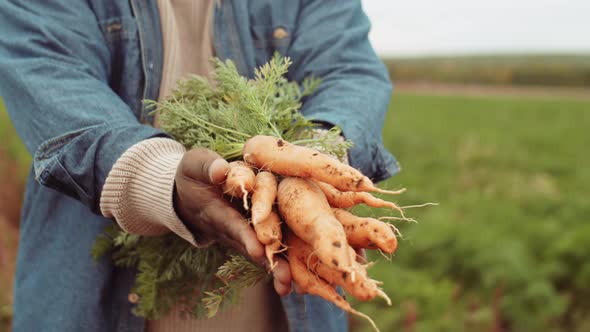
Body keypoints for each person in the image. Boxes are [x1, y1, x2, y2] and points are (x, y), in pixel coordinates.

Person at [0, 1, 398, 331]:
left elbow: (350, 70)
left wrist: (310, 163)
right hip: (87, 303)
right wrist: (162, 181)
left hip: (279, 305)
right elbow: (51, 76)